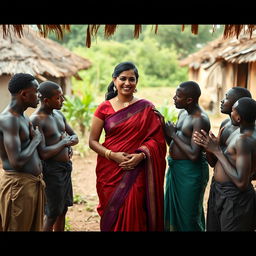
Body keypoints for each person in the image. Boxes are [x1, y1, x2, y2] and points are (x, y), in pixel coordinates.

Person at [89, 61, 166, 231]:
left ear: (136, 82)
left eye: (132, 79)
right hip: (109, 169)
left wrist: (141, 155)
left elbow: (157, 140)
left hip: (137, 169)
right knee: (111, 212)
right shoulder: (103, 108)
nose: (127, 83)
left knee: (136, 209)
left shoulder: (146, 107)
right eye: (123, 78)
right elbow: (92, 141)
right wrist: (112, 155)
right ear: (115, 80)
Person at [193, 97, 256, 231]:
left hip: (235, 200)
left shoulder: (244, 140)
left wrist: (217, 151)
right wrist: (214, 147)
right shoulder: (239, 132)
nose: (231, 112)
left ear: (239, 118)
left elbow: (241, 182)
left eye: (233, 110)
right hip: (221, 192)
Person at [30, 81, 79, 231]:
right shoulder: (37, 119)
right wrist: (64, 143)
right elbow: (43, 153)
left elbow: (75, 136)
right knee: (52, 212)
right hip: (51, 171)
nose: (63, 100)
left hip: (65, 168)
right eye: (59, 98)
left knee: (63, 209)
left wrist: (68, 143)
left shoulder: (59, 114)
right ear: (46, 101)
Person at [163, 81, 211, 231]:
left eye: (178, 96)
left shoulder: (200, 119)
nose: (174, 98)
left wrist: (173, 135)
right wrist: (167, 132)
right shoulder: (183, 112)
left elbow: (193, 155)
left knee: (188, 216)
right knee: (174, 214)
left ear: (189, 100)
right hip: (176, 170)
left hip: (190, 173)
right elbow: (175, 142)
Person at [0, 73, 44, 231]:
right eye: (36, 90)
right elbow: (17, 161)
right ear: (24, 94)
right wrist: (36, 140)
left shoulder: (23, 116)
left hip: (31, 184)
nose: (39, 95)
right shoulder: (9, 119)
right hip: (18, 186)